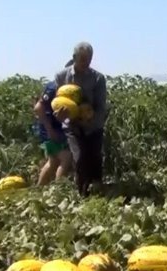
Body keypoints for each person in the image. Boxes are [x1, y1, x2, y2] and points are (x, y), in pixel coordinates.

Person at [55, 42, 109, 196]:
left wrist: (90, 121)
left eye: (89, 59)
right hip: (72, 127)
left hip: (93, 126)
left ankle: (98, 191)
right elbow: (58, 103)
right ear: (74, 58)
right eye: (83, 59)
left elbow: (100, 107)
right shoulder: (61, 76)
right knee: (79, 159)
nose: (87, 62)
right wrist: (60, 116)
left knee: (95, 158)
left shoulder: (98, 78)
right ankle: (82, 194)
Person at [33, 77, 74, 185]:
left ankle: (38, 189)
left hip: (58, 129)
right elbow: (38, 108)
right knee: (66, 158)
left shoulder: (74, 89)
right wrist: (50, 131)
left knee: (53, 162)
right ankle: (59, 191)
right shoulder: (53, 87)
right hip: (49, 129)